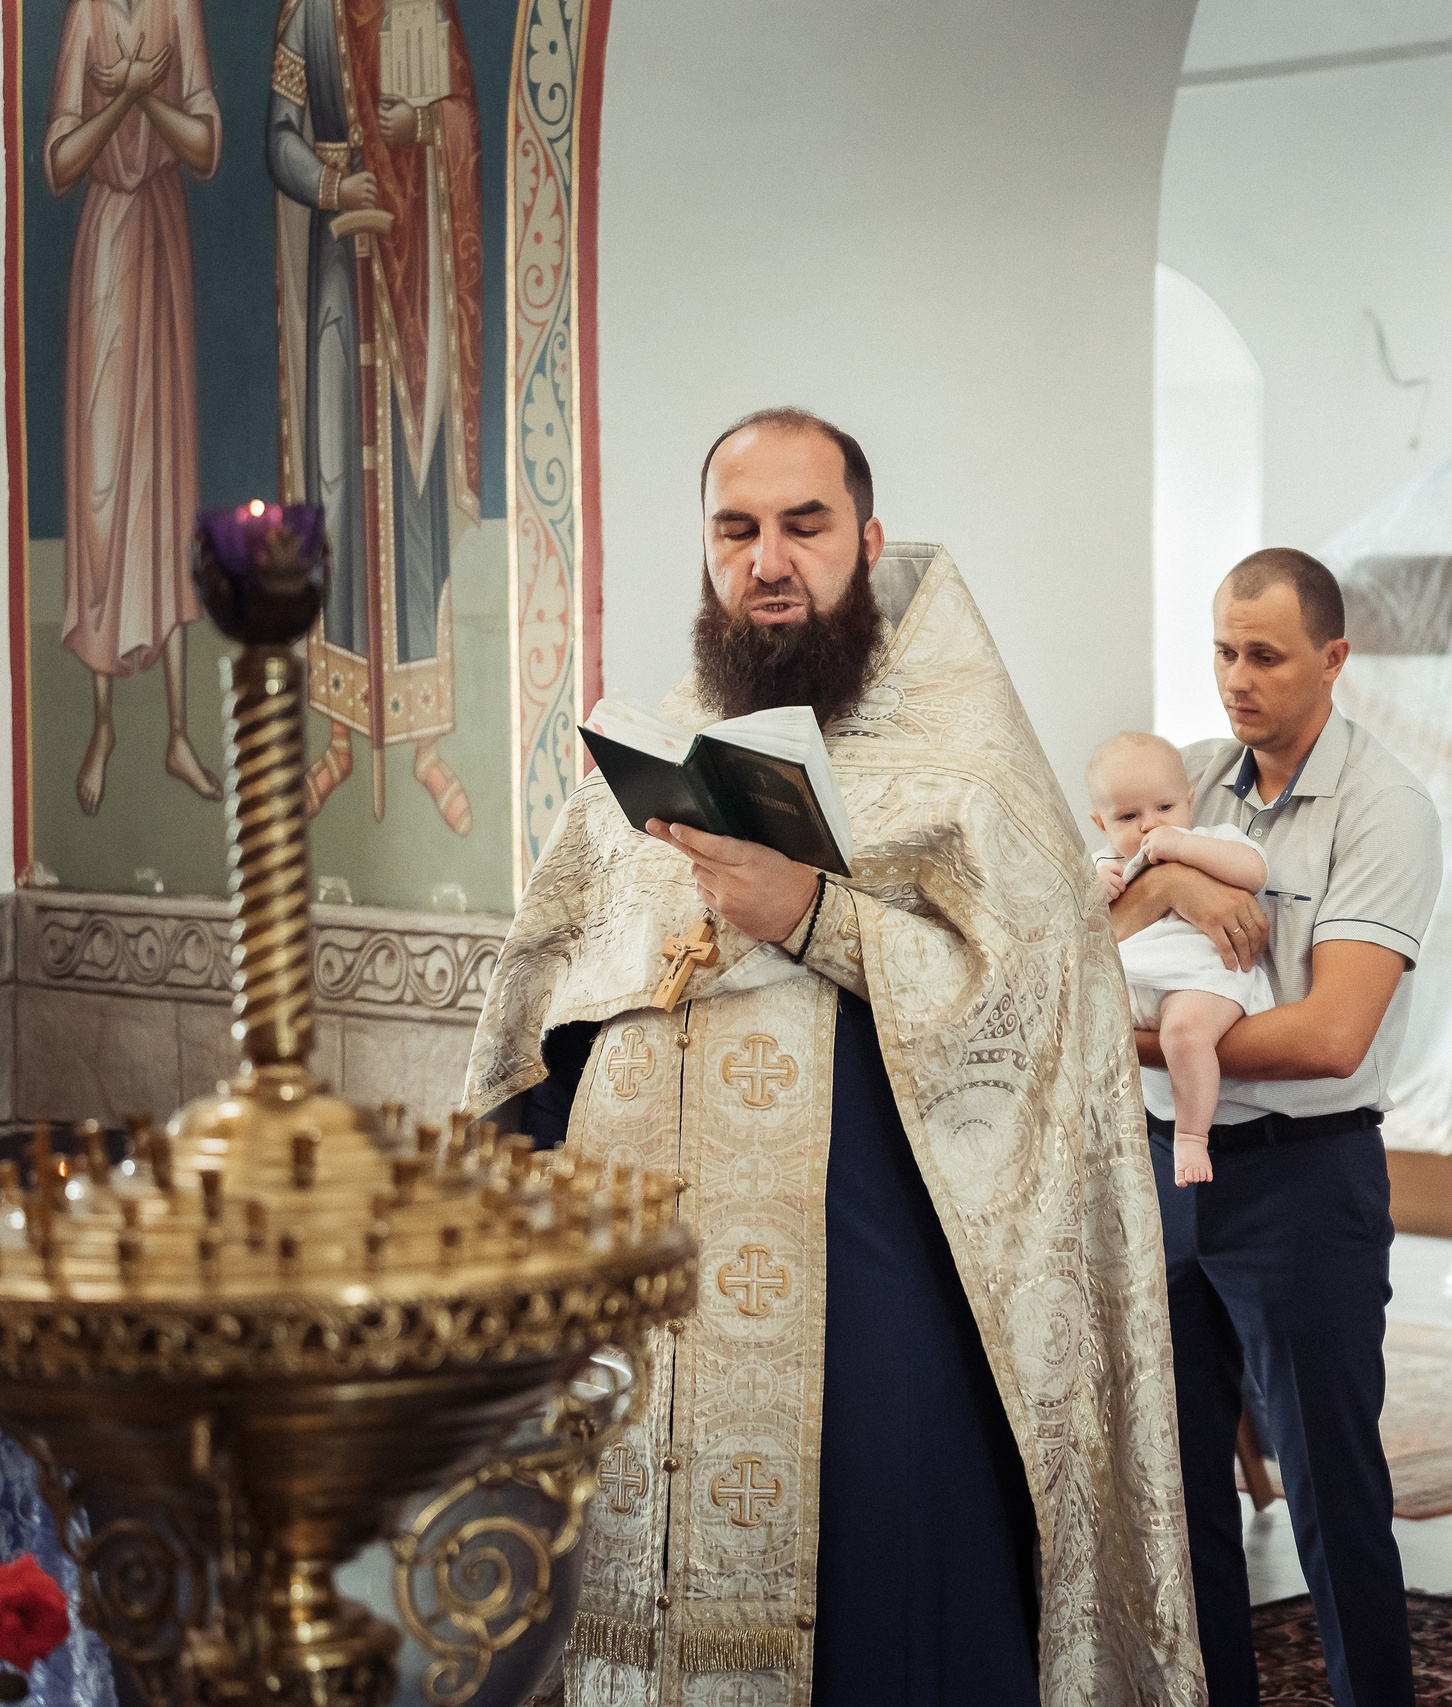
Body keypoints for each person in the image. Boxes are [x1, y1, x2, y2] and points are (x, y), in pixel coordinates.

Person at [465, 409, 1202, 1707]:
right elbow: (544, 991)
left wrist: (808, 913)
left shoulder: (967, 768)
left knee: (884, 1602)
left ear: (866, 542)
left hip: (873, 1281)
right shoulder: (640, 757)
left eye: (803, 526)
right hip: (639, 1310)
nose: (768, 559)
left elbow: (1041, 1012)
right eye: (736, 529)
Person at [1111, 547, 1442, 1707]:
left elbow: (1327, 1036)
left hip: (1302, 1182)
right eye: (1220, 651)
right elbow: (1071, 924)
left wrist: (1132, 1041)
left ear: (1333, 659)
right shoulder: (1186, 782)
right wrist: (1175, 885)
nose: (1235, 680)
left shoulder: (1385, 806)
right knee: (1180, 1496)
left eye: (1264, 655)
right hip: (1160, 1174)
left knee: (1331, 1497)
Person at [269, 0, 479, 830]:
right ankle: (341, 737)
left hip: (412, 272)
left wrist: (422, 122)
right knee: (334, 483)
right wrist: (330, 182)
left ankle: (425, 744)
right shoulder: (307, 16)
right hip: (336, 273)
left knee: (413, 489)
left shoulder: (424, 7)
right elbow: (277, 137)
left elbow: (462, 112)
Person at [45, 0, 222, 816]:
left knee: (164, 481)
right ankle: (104, 723)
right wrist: (124, 98)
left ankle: (180, 731)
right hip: (105, 246)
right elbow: (57, 161)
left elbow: (206, 148)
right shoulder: (85, 13)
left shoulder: (176, 8)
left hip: (159, 239)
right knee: (100, 489)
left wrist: (150, 97)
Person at [1088, 729, 1277, 1185]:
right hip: (1135, 986)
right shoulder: (1105, 863)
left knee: (1186, 1036)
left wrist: (1184, 849)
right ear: (1102, 825)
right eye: (1128, 816)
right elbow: (1075, 933)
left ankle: (1192, 1135)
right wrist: (1095, 888)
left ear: (1189, 801)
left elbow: (1254, 871)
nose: (1150, 825)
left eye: (1165, 809)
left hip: (1201, 980)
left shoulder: (1212, 840)